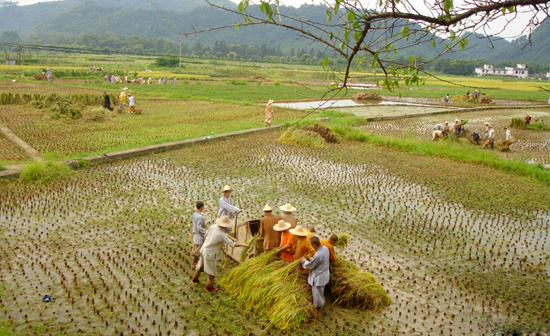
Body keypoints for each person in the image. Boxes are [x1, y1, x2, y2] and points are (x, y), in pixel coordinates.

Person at [192, 216, 249, 292]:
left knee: (199, 267)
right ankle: (209, 288)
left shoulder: (213, 226)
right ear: (225, 226)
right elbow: (232, 244)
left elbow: (206, 235)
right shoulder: (222, 235)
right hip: (210, 254)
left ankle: (194, 280)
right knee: (212, 273)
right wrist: (243, 244)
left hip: (204, 249)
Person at [301, 236, 330, 310]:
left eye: (312, 245)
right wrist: (309, 259)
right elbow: (318, 260)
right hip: (324, 274)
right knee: (321, 291)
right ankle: (321, 304)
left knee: (317, 294)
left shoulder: (318, 255)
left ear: (314, 244)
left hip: (319, 277)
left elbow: (310, 265)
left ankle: (317, 308)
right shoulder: (325, 248)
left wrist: (303, 261)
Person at [192, 201, 207, 267]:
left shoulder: (195, 214)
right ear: (201, 207)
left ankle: (196, 262)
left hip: (195, 235)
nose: (203, 208)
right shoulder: (200, 217)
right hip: (199, 236)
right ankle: (195, 263)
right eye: (203, 207)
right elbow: (199, 228)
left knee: (197, 249)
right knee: (198, 250)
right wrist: (206, 232)